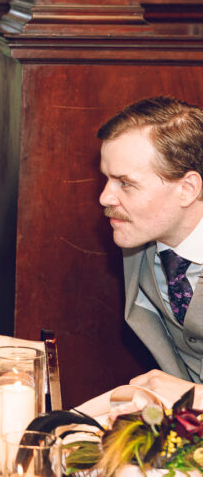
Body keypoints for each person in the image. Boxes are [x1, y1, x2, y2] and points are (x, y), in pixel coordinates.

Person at [99, 96, 203, 393]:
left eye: (126, 183)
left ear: (187, 189)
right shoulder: (136, 233)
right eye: (106, 179)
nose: (105, 197)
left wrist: (193, 398)